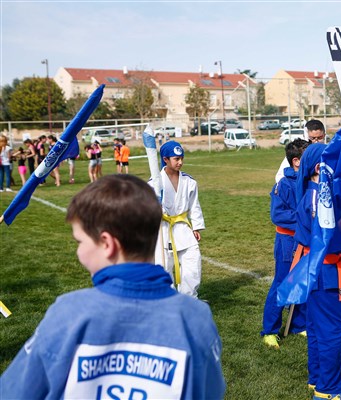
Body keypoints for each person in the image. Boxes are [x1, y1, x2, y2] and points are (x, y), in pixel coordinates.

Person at [0, 174, 226, 399]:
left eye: (80, 241)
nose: (78, 252)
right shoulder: (197, 317)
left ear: (107, 244)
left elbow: (14, 392)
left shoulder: (68, 313)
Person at [295, 143, 341, 400]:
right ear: (320, 167)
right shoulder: (318, 198)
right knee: (336, 329)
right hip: (323, 271)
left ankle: (317, 378)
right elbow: (324, 235)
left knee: (317, 326)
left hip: (312, 268)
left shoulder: (311, 194)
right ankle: (328, 390)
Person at [261, 138, 310, 349]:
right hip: (288, 241)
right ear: (297, 161)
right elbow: (278, 215)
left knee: (304, 283)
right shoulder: (283, 184)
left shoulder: (310, 181)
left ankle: (298, 324)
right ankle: (270, 330)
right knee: (282, 283)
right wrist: (306, 217)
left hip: (307, 240)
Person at [152, 141, 205, 299]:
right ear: (165, 159)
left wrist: (196, 227)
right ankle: (167, 301)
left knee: (193, 266)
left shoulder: (190, 182)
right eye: (176, 159)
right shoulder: (154, 183)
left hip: (183, 229)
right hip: (163, 230)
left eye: (181, 158)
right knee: (163, 268)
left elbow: (194, 205)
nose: (180, 162)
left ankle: (188, 299)